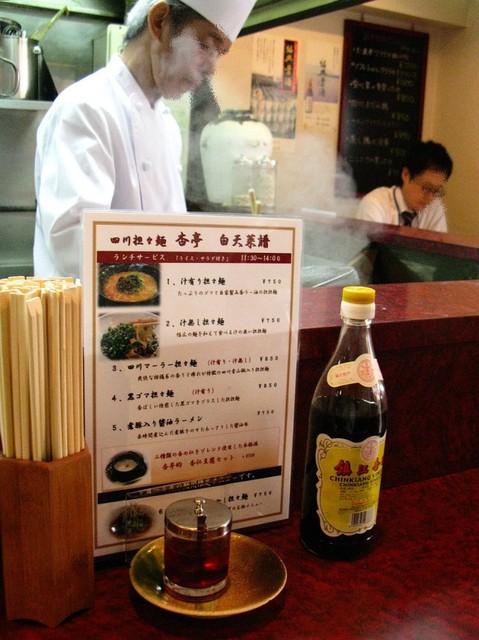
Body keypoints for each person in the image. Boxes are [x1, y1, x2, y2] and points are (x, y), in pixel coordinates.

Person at [33, 0, 255, 279]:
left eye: (218, 54)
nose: (212, 68)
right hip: (87, 305)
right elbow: (75, 244)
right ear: (160, 21)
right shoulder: (86, 108)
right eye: (205, 45)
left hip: (155, 301)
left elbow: (172, 233)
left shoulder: (167, 125)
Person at [356, 140, 453, 232]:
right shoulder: (375, 204)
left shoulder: (435, 209)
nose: (430, 198)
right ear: (405, 174)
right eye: (426, 188)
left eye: (436, 191)